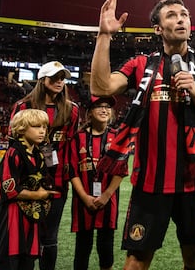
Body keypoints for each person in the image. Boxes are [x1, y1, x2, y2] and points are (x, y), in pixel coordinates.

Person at [90, 0, 195, 270]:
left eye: (184, 15)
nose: (181, 20)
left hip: (194, 182)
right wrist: (104, 36)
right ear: (158, 28)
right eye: (172, 16)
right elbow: (101, 87)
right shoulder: (140, 65)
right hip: (151, 183)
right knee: (136, 262)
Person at [10, 61, 80, 270]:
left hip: (57, 182)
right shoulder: (23, 106)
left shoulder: (72, 110)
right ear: (42, 80)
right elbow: (13, 145)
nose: (59, 82)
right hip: (27, 184)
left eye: (62, 78)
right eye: (55, 77)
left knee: (50, 235)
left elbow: (72, 146)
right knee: (26, 232)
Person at [0, 109, 58, 270]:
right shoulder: (14, 153)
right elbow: (7, 190)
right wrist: (38, 194)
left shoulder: (40, 153)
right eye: (36, 126)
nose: (42, 131)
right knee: (9, 261)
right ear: (21, 128)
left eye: (44, 127)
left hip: (30, 216)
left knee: (27, 261)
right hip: (11, 217)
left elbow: (51, 172)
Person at [68, 95, 123, 270]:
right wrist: (84, 197)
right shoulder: (78, 138)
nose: (104, 109)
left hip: (108, 199)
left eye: (107, 107)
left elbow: (120, 171)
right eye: (99, 106)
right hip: (83, 201)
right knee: (83, 247)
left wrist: (106, 195)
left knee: (106, 246)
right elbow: (73, 171)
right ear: (89, 113)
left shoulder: (117, 137)